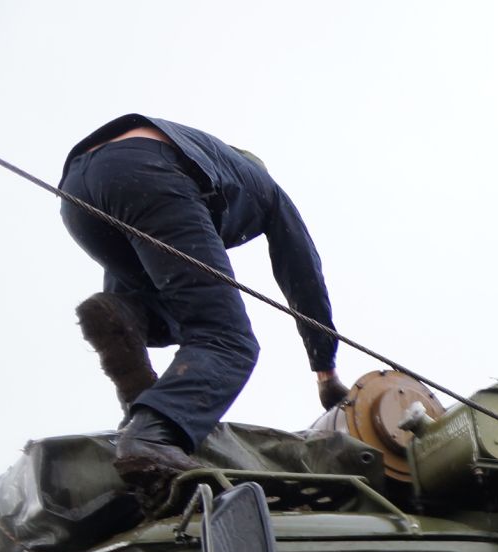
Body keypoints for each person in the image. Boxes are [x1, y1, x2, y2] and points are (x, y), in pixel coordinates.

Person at [59, 115, 347, 487]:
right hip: (150, 171)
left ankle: (145, 409)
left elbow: (127, 288)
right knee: (227, 340)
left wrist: (121, 315)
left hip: (77, 192)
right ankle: (151, 435)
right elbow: (304, 277)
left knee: (145, 315)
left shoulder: (198, 157)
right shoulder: (266, 188)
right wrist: (325, 370)